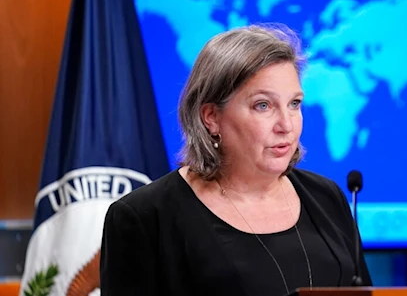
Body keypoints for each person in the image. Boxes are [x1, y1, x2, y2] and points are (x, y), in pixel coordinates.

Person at [99, 23, 372, 296]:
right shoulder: (145, 218)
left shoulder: (326, 197)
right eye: (263, 105)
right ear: (212, 117)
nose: (286, 125)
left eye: (294, 104)